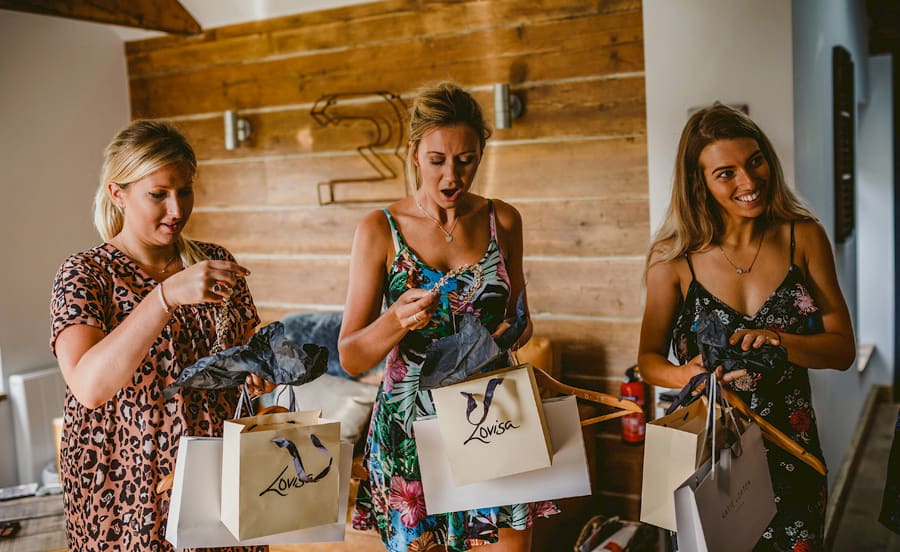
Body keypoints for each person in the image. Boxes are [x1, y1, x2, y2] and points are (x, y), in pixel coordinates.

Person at [338, 81, 558, 551]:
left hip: (492, 420)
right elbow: (351, 357)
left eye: (466, 160)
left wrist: (504, 331)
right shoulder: (380, 229)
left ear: (482, 154)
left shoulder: (505, 220)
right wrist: (396, 319)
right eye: (438, 160)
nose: (452, 176)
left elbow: (522, 324)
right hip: (410, 433)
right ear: (415, 152)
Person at [638, 103, 855, 551]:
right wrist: (688, 375)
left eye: (755, 161)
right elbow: (648, 361)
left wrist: (782, 340)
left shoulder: (803, 237)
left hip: (792, 451)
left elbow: (841, 350)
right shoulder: (672, 259)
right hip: (708, 458)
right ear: (698, 182)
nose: (749, 182)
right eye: (726, 173)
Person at [50, 120, 272, 551]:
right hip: (124, 482)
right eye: (159, 194)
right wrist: (165, 296)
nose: (177, 209)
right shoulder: (83, 274)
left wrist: (260, 370)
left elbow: (250, 350)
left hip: (217, 471)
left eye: (185, 191)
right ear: (118, 193)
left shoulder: (214, 262)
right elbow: (89, 387)